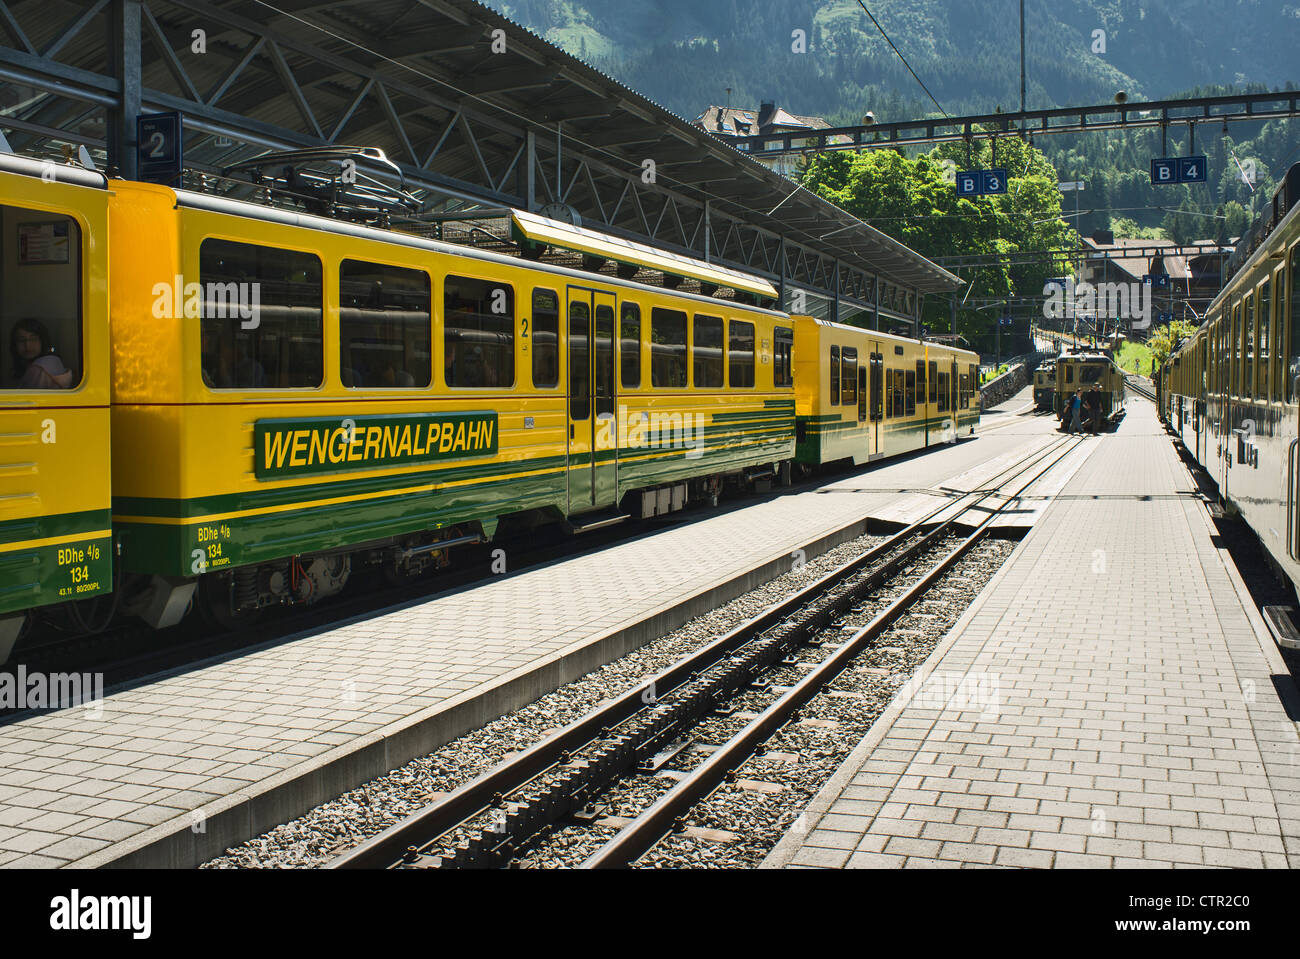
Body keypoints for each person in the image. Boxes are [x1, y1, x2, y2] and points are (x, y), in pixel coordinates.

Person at [10, 318, 73, 389]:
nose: (27, 345)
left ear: (42, 341)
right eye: (21, 340)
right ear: (14, 344)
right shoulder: (54, 360)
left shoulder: (39, 368)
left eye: (33, 339)